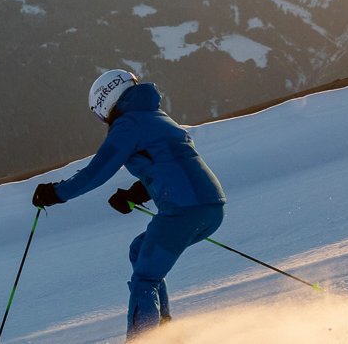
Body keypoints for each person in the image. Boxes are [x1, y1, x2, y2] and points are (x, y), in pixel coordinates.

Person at [31, 69, 227, 338]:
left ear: (104, 103)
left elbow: (96, 172)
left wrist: (56, 193)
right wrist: (136, 194)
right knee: (140, 250)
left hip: (183, 211)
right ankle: (163, 331)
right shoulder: (157, 117)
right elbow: (170, 163)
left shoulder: (128, 124)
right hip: (211, 207)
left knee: (144, 280)